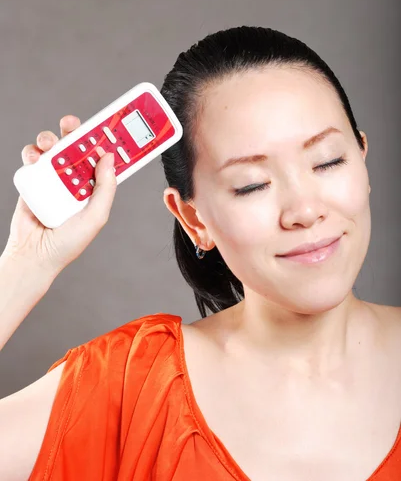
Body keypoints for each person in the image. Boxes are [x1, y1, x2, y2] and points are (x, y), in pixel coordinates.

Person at [0, 26, 400, 481]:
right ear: (192, 219)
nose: (305, 211)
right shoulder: (130, 386)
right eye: (252, 185)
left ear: (363, 160)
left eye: (328, 161)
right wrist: (27, 262)